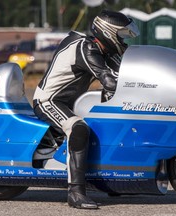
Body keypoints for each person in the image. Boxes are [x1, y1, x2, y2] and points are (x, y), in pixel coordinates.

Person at [33, 10, 139, 209]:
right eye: (122, 35)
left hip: (71, 102)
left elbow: (125, 73)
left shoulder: (103, 50)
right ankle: (75, 193)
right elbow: (108, 79)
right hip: (49, 101)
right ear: (108, 33)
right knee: (78, 128)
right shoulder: (86, 47)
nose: (124, 41)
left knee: (108, 121)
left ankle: (115, 181)